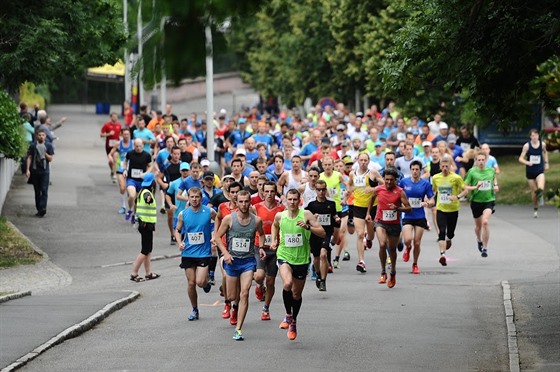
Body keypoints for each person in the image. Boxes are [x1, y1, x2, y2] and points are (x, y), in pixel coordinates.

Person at [271, 189, 325, 340]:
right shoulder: (280, 215)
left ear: (299, 200)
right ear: (285, 200)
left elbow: (322, 232)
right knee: (287, 284)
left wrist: (307, 227)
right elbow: (274, 225)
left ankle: (294, 321)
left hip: (301, 259)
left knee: (296, 294)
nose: (292, 202)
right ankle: (288, 315)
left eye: (295, 199)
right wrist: (274, 240)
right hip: (284, 255)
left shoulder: (306, 215)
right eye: (290, 199)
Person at [215, 191, 265, 341]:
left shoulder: (256, 220)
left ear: (250, 203)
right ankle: (232, 305)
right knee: (231, 296)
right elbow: (217, 236)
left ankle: (238, 329)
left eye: (246, 202)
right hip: (232, 261)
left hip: (248, 262)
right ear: (236, 203)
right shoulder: (229, 219)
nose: (244, 205)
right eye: (241, 202)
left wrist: (261, 247)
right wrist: (225, 254)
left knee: (244, 293)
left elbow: (261, 234)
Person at [174, 187, 217, 321]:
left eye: (196, 197)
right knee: (191, 283)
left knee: (200, 282)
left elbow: (218, 221)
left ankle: (206, 283)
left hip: (204, 252)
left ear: (201, 198)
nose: (194, 199)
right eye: (191, 197)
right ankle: (194, 309)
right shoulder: (183, 214)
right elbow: (177, 230)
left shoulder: (209, 211)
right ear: (188, 198)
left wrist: (215, 235)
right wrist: (179, 242)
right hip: (188, 252)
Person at [365, 167, 412, 288]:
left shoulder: (400, 191)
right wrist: (368, 213)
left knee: (392, 249)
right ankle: (383, 271)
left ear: (395, 180)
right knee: (382, 244)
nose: (389, 182)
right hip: (381, 221)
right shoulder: (379, 189)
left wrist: (398, 208)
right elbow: (371, 199)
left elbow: (409, 208)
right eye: (386, 179)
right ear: (383, 179)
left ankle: (393, 272)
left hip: (394, 224)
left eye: (391, 180)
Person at [347, 153, 384, 273]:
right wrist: (349, 190)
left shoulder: (372, 173)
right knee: (359, 234)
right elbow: (349, 184)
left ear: (368, 161)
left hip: (372, 206)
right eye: (361, 160)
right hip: (358, 206)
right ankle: (361, 261)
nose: (363, 162)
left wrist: (373, 189)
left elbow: (384, 184)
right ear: (357, 160)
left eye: (365, 160)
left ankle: (369, 238)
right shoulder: (352, 173)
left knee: (371, 235)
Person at [254, 182, 285, 320]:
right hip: (259, 246)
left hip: (274, 248)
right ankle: (259, 286)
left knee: (271, 282)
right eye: (267, 191)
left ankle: (266, 308)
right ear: (263, 192)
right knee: (259, 276)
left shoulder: (282, 209)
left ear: (275, 192)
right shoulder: (256, 208)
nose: (269, 194)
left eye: (272, 191)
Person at [399, 160, 435, 274]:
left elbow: (432, 200)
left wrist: (427, 203)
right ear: (410, 170)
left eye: (417, 170)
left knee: (417, 242)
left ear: (420, 171)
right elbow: (398, 195)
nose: (415, 171)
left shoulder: (425, 184)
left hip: (419, 216)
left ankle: (415, 264)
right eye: (413, 169)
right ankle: (408, 248)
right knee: (408, 239)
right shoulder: (404, 182)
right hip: (408, 215)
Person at [463, 151, 499, 257]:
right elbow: (464, 186)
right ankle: (479, 240)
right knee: (478, 227)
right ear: (476, 161)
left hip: (489, 200)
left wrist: (496, 185)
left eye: (483, 160)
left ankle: (485, 248)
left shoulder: (491, 170)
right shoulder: (472, 172)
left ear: (486, 160)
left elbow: (494, 178)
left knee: (485, 222)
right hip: (476, 202)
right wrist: (475, 187)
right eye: (479, 160)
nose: (481, 162)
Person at [431, 156, 465, 266]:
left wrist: (458, 197)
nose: (445, 168)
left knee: (450, 233)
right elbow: (434, 191)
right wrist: (430, 200)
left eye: (447, 166)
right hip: (441, 208)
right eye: (443, 166)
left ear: (450, 166)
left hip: (453, 209)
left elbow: (465, 190)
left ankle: (449, 238)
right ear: (440, 166)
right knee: (441, 231)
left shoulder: (456, 178)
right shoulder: (436, 178)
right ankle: (443, 255)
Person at [305, 180, 339, 291]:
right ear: (315, 190)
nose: (321, 192)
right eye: (319, 189)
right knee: (316, 258)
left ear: (326, 189)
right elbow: (305, 218)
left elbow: (334, 215)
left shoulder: (331, 203)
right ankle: (318, 274)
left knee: (323, 255)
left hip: (327, 233)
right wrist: (312, 217)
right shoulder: (311, 204)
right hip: (314, 234)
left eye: (323, 189)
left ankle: (323, 281)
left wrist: (336, 218)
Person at [130, 173, 160, 282]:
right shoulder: (147, 193)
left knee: (148, 250)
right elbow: (148, 199)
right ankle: (134, 273)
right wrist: (149, 199)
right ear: (152, 182)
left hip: (146, 225)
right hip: (146, 225)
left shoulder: (141, 191)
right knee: (145, 250)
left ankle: (148, 273)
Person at [518, 129, 549, 218]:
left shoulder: (542, 144)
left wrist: (546, 163)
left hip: (539, 169)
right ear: (530, 137)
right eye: (532, 136)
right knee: (534, 192)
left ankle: (541, 195)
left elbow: (545, 153)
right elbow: (520, 158)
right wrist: (527, 162)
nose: (534, 137)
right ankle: (535, 209)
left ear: (538, 136)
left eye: (536, 135)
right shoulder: (527, 146)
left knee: (540, 187)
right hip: (530, 171)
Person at [122, 138, 153, 224]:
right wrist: (124, 170)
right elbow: (125, 162)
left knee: (138, 201)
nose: (138, 148)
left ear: (143, 145)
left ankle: (134, 215)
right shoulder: (130, 153)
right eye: (136, 146)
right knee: (132, 195)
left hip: (142, 181)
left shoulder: (147, 155)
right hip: (131, 179)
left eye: (140, 146)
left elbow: (150, 166)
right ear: (134, 146)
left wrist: (146, 173)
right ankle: (130, 210)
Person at [26, 129, 54, 217]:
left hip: (45, 171)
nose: (41, 137)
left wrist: (44, 153)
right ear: (36, 136)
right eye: (39, 135)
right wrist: (27, 169)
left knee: (44, 190)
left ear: (45, 136)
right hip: (35, 171)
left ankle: (43, 208)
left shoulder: (48, 145)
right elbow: (29, 157)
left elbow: (50, 159)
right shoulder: (33, 146)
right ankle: (39, 208)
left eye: (43, 135)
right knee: (37, 191)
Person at [100, 112, 122, 181]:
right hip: (108, 145)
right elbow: (101, 135)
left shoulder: (119, 125)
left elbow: (121, 134)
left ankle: (114, 174)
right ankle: (112, 170)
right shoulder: (106, 125)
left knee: (115, 158)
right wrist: (109, 134)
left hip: (116, 145)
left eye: (116, 116)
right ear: (111, 117)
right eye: (113, 116)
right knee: (110, 161)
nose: (115, 118)